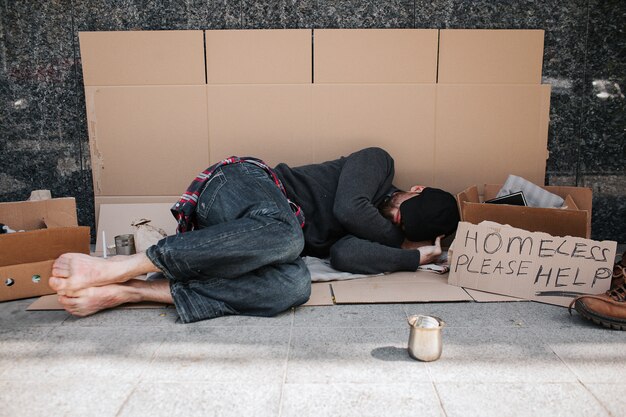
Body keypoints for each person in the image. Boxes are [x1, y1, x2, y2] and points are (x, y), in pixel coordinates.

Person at [49, 147, 460, 323]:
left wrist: (413, 257)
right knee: (288, 237)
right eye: (401, 210)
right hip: (242, 184)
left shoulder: (386, 236)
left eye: (402, 226)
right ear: (416, 189)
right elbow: (348, 210)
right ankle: (120, 265)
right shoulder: (378, 163)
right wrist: (396, 240)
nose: (393, 218)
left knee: (294, 286)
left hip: (249, 241)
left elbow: (345, 256)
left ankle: (134, 289)